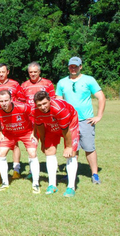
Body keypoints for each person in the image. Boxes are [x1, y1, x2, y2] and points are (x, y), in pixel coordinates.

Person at [56, 56, 106, 184]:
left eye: (76, 66)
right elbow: (59, 101)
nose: (73, 68)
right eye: (71, 66)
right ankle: (71, 174)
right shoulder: (62, 82)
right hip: (69, 121)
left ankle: (94, 174)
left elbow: (101, 97)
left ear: (80, 67)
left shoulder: (89, 80)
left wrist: (98, 116)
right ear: (68, 67)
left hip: (86, 120)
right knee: (72, 148)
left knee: (89, 147)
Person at [34, 91, 79, 197]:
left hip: (69, 124)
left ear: (50, 100)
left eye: (45, 103)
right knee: (49, 151)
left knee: (71, 153)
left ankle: (71, 186)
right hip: (50, 125)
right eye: (39, 105)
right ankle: (52, 184)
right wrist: (43, 142)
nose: (43, 107)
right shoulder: (35, 111)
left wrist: (68, 147)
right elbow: (40, 126)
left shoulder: (59, 109)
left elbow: (65, 130)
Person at [0, 90, 40, 193]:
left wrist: (34, 133)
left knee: (32, 153)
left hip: (26, 132)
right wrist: (1, 133)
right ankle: (5, 182)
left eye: (6, 100)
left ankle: (36, 183)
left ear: (11, 99)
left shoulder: (23, 107)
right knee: (1, 153)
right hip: (9, 133)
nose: (4, 103)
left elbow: (36, 116)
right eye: (1, 101)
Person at [21, 61, 56, 179]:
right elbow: (22, 103)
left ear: (39, 72)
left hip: (45, 119)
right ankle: (32, 171)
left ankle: (51, 170)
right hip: (30, 121)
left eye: (35, 72)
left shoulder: (47, 83)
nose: (33, 74)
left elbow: (53, 100)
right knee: (32, 146)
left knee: (47, 145)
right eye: (31, 72)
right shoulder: (24, 85)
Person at [0, 63, 25, 180]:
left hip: (13, 119)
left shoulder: (15, 84)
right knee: (0, 141)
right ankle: (0, 169)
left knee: (14, 144)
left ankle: (16, 169)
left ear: (7, 72)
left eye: (3, 72)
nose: (1, 74)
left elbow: (21, 100)